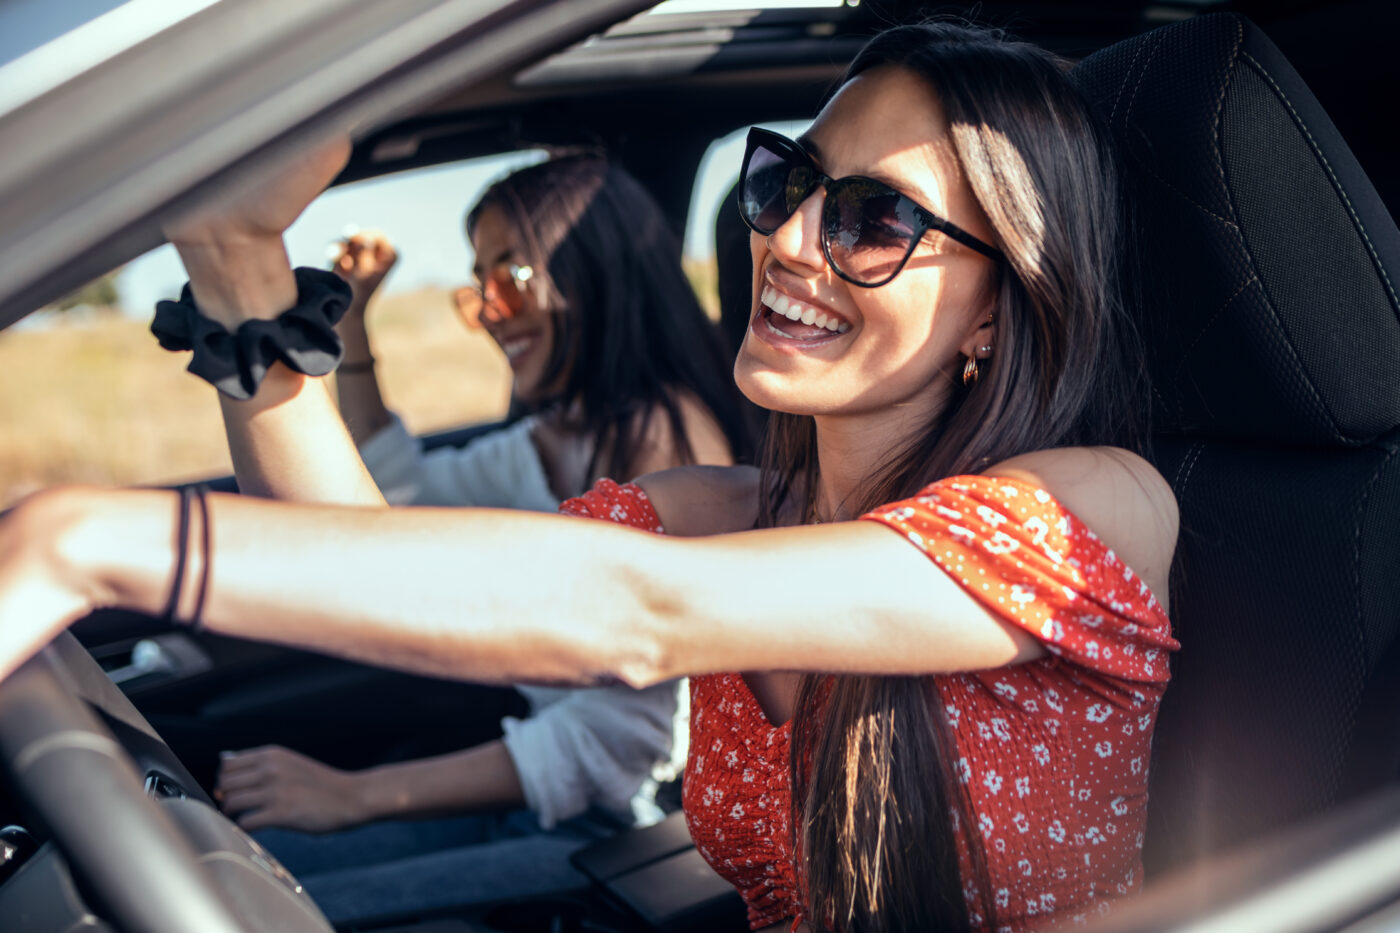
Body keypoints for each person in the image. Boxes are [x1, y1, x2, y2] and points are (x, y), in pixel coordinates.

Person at [0, 23, 1180, 933]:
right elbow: (363, 552)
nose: (786, 239)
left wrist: (79, 533)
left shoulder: (1093, 510)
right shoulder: (718, 514)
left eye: (873, 220)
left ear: (999, 308)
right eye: (789, 185)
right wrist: (234, 256)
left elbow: (628, 611)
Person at [210, 156, 751, 923]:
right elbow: (398, 499)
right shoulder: (555, 435)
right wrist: (354, 324)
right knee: (252, 877)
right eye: (479, 284)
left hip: (635, 824)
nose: (492, 309)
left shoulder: (670, 444)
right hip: (548, 785)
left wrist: (352, 794)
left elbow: (622, 738)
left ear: (592, 275)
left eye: (514, 276)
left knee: (295, 908)